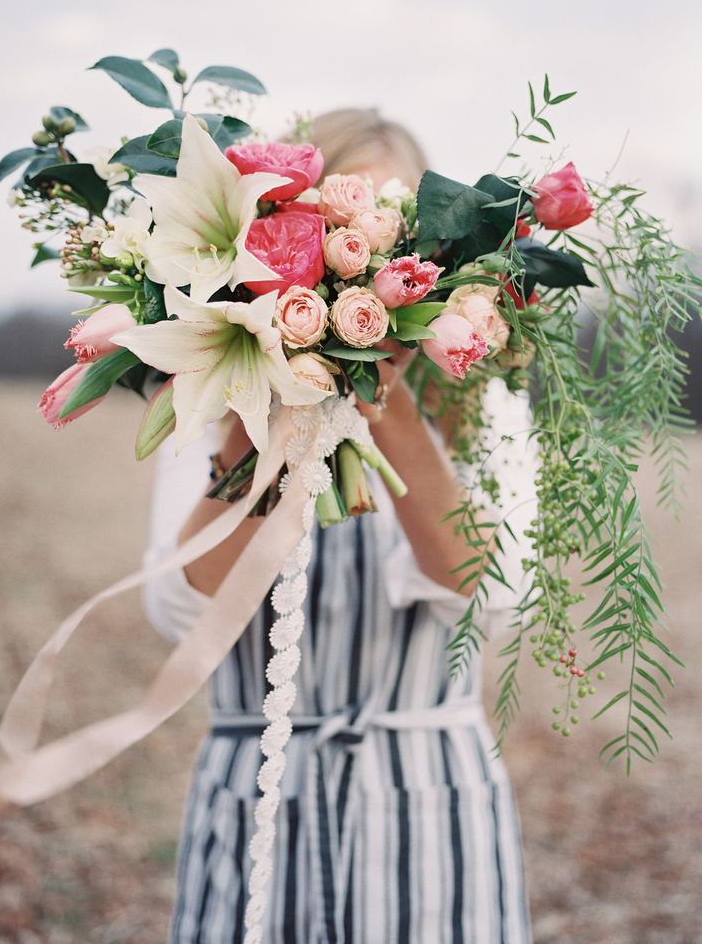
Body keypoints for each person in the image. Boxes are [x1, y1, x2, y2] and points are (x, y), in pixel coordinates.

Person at [143, 108, 537, 943]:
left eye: (404, 229)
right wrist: (272, 387)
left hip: (430, 809)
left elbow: (493, 605)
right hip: (255, 801)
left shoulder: (483, 393)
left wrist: (379, 389)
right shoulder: (211, 388)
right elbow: (183, 616)